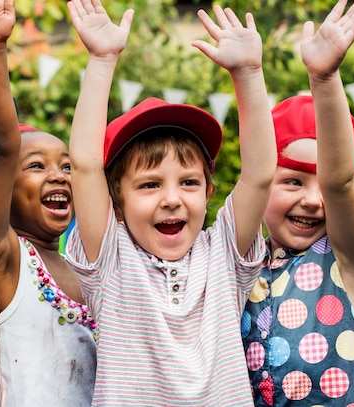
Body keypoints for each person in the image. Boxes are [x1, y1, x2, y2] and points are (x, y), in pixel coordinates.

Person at [65, 0, 276, 405]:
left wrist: (248, 74)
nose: (172, 199)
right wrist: (102, 59)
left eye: (189, 182)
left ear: (209, 193)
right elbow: (86, 167)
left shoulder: (224, 255)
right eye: (149, 185)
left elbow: (259, 174)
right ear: (117, 204)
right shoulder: (111, 258)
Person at [0, 0, 97, 405]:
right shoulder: (5, 259)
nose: (59, 175)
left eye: (67, 166)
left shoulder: (87, 264)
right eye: (36, 165)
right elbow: (3, 147)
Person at [241, 0, 354, 405]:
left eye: (323, 187)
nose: (313, 200)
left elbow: (342, 182)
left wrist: (324, 78)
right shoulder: (237, 266)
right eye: (293, 181)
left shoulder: (348, 258)